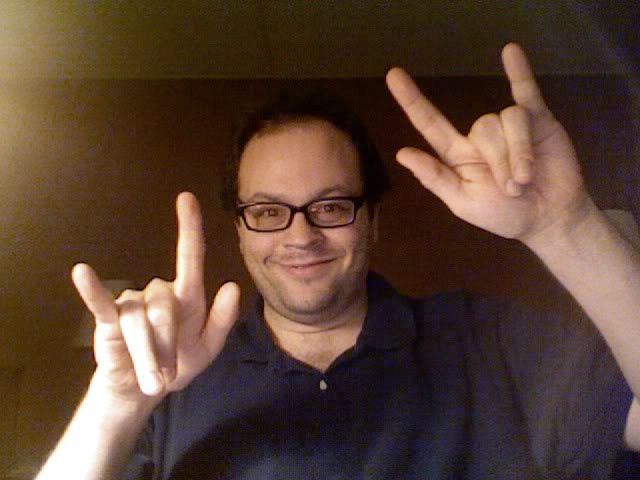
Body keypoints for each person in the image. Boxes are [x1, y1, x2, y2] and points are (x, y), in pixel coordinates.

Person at [37, 43, 640, 479]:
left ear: (371, 219)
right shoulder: (167, 379)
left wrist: (567, 228)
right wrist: (117, 401)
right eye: (268, 211)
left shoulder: (491, 340)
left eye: (329, 206)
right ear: (242, 231)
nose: (300, 235)